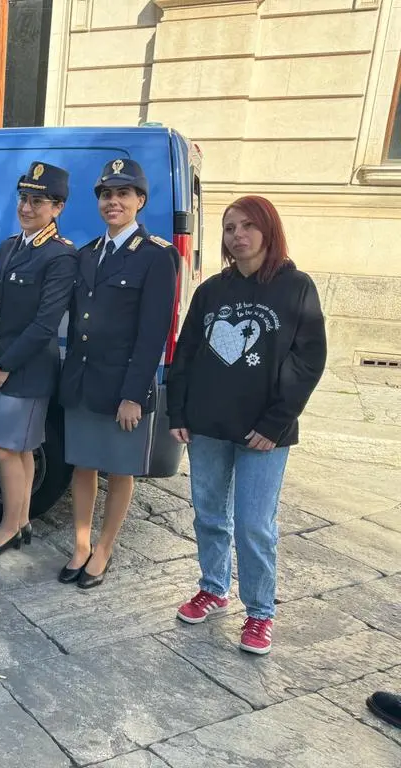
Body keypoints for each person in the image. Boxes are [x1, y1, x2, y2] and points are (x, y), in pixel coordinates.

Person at [168, 195, 327, 655]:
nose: (237, 236)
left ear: (268, 231)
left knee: (255, 524)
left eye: (247, 227)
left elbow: (309, 360)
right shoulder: (211, 292)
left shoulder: (296, 288)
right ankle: (213, 588)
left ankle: (259, 613)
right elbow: (187, 354)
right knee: (209, 514)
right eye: (229, 228)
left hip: (264, 434)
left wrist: (276, 422)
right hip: (208, 428)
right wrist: (180, 412)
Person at [57, 158, 178, 589]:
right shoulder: (88, 253)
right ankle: (81, 544)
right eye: (107, 194)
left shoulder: (157, 257)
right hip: (83, 380)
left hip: (122, 386)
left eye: (123, 194)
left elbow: (153, 335)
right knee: (83, 467)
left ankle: (104, 549)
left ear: (140, 201)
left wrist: (134, 394)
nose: (113, 202)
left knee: (120, 470)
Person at [0, 161, 77, 556]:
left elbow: (45, 323)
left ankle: (9, 528)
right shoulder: (7, 247)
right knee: (17, 449)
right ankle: (23, 520)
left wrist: (5, 365)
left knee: (4, 448)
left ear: (58, 207)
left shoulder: (60, 256)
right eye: (23, 198)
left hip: (26, 370)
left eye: (38, 201)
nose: (27, 207)